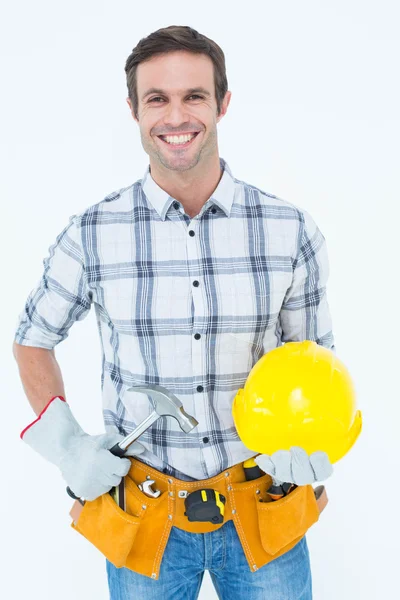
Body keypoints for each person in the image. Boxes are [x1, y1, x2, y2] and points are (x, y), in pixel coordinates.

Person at [13, 25, 334, 600]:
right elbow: (33, 339)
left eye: (194, 96)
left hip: (264, 504)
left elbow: (313, 364)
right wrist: (68, 447)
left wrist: (316, 444)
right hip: (145, 514)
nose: (176, 115)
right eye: (157, 98)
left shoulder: (290, 231)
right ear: (134, 109)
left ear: (223, 103)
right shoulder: (92, 233)